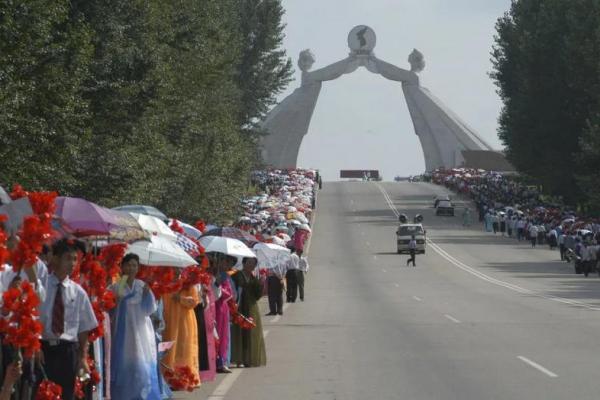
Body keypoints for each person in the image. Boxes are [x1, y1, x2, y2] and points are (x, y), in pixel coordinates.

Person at [38, 238, 98, 400]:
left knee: (66, 395)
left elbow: (84, 328)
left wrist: (83, 357)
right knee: (41, 393)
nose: (72, 263)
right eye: (68, 258)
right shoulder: (41, 286)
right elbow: (33, 318)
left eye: (75, 259)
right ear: (55, 259)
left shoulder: (78, 292)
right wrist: (35, 348)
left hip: (67, 352)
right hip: (43, 351)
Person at [109, 253, 160, 399]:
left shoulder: (142, 285)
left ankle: (142, 394)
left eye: (134, 265)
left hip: (140, 328)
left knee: (141, 358)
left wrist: (147, 295)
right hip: (123, 330)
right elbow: (109, 308)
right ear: (122, 267)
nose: (131, 268)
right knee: (126, 359)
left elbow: (150, 309)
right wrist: (115, 300)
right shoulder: (116, 286)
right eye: (128, 265)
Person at [162, 273, 201, 385]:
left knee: (183, 347)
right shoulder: (165, 282)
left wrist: (181, 298)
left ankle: (184, 378)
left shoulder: (188, 283)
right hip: (169, 319)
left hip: (184, 320)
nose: (176, 270)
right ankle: (169, 378)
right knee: (169, 347)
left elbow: (194, 301)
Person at [230, 258, 267, 368]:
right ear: (244, 263)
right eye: (249, 263)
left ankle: (249, 359)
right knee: (239, 333)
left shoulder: (254, 278)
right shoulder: (236, 276)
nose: (251, 265)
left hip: (251, 308)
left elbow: (257, 296)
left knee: (251, 333)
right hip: (239, 307)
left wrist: (261, 285)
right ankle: (239, 360)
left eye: (253, 264)